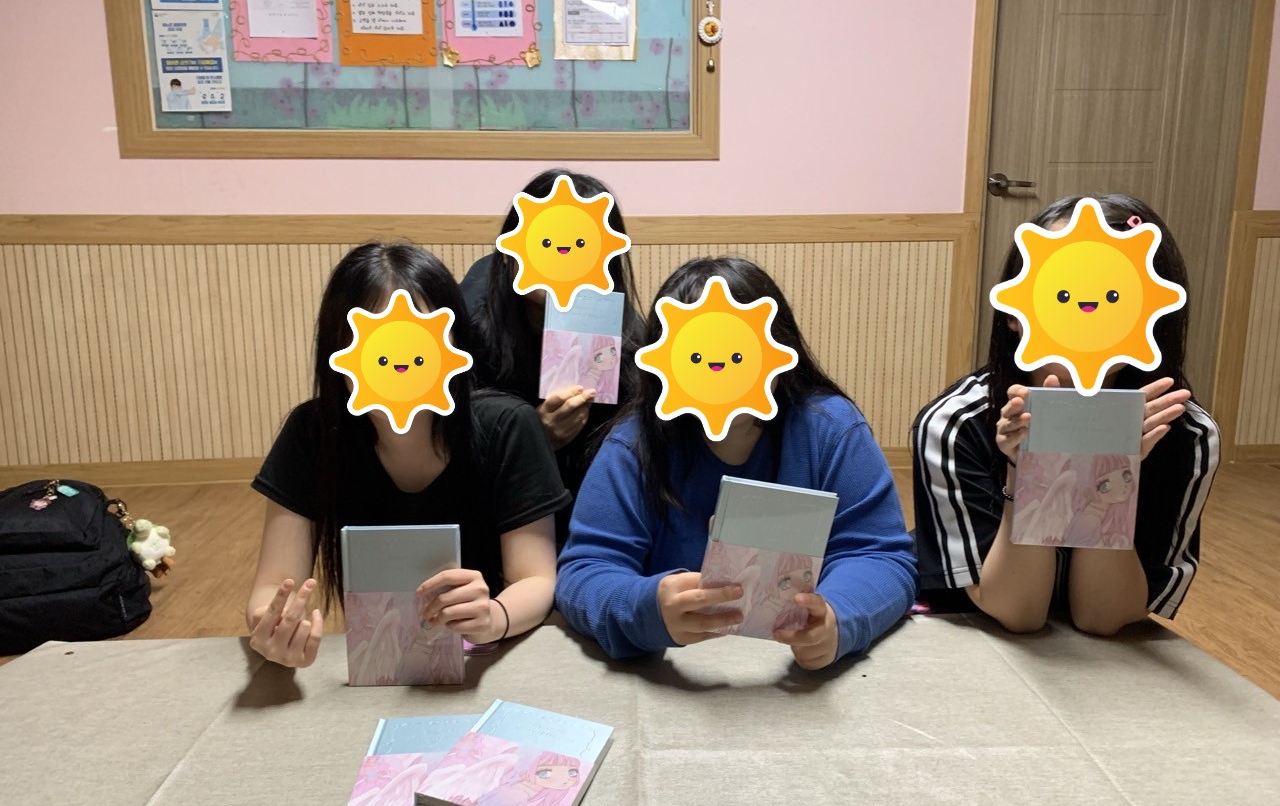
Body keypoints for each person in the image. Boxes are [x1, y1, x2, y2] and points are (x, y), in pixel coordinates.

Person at [555, 256, 917, 670]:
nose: (719, 368)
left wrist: (837, 616)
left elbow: (881, 556)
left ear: (778, 350)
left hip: (794, 677)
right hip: (674, 674)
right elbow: (584, 571)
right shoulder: (633, 446)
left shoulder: (830, 429)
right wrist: (646, 608)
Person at [245, 243, 570, 668]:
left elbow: (536, 578)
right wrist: (272, 627)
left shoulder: (507, 426)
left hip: (493, 658)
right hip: (378, 662)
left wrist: (494, 616)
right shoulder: (312, 433)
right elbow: (273, 587)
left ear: (453, 345)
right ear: (339, 350)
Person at [911, 193, 1220, 635]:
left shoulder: (1187, 434)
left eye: (1114, 293)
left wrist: (1112, 464)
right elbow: (1018, 612)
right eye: (1061, 291)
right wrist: (1030, 467)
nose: (1086, 312)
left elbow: (1102, 617)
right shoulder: (954, 424)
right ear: (1014, 311)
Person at [461, 170, 645, 541]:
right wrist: (532, 439)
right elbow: (451, 460)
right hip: (494, 519)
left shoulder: (624, 337)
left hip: (589, 513)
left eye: (581, 245)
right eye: (545, 243)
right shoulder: (472, 326)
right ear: (512, 251)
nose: (562, 260)